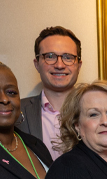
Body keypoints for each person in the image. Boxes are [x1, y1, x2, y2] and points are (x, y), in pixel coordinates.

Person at [17, 26, 83, 161]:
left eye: (68, 57)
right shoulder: (16, 112)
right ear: (37, 64)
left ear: (79, 65)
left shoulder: (97, 111)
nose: (59, 65)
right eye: (50, 56)